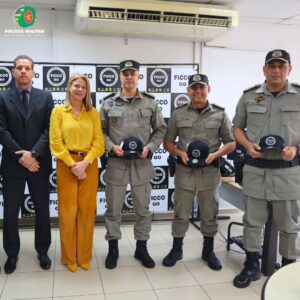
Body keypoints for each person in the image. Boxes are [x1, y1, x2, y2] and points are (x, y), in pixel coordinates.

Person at [232, 49, 300, 288]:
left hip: (288, 172)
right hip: (256, 171)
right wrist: (247, 145)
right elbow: (237, 127)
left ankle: (289, 268)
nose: (276, 70)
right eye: (272, 65)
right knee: (252, 221)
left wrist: (296, 149)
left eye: (282, 66)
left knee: (290, 226)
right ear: (264, 69)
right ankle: (251, 265)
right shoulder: (249, 96)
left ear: (289, 70)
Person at [162, 74, 235, 270]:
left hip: (209, 172)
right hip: (185, 171)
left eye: (201, 87)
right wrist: (179, 152)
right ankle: (177, 249)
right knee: (180, 212)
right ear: (188, 91)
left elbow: (231, 143)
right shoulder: (178, 114)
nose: (198, 91)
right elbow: (167, 142)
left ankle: (208, 251)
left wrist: (215, 155)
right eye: (194, 88)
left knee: (209, 212)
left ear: (208, 89)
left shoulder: (219, 114)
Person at [100, 60, 166, 269]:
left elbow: (161, 129)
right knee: (113, 210)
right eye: (125, 73)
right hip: (117, 163)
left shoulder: (150, 103)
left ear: (139, 76)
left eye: (132, 73)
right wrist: (111, 147)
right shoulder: (108, 103)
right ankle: (113, 249)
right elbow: (99, 132)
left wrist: (150, 147)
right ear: (120, 77)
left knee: (143, 210)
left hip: (141, 163)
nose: (129, 77)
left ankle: (141, 248)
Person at [0, 55, 53, 274]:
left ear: (33, 73)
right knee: (11, 212)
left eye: (27, 68)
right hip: (13, 164)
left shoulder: (45, 96)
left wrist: (33, 154)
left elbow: (49, 130)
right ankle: (12, 254)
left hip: (39, 164)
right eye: (19, 67)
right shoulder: (3, 97)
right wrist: (22, 156)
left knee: (42, 210)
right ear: (13, 72)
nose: (23, 71)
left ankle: (43, 250)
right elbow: (1, 130)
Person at [50, 73, 104, 272]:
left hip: (89, 165)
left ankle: (84, 255)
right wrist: (73, 164)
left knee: (86, 212)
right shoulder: (58, 112)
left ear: (86, 91)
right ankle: (69, 257)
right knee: (67, 213)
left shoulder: (93, 113)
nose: (80, 89)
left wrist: (85, 163)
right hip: (66, 165)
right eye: (76, 85)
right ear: (69, 88)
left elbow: (99, 142)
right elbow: (55, 142)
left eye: (83, 86)